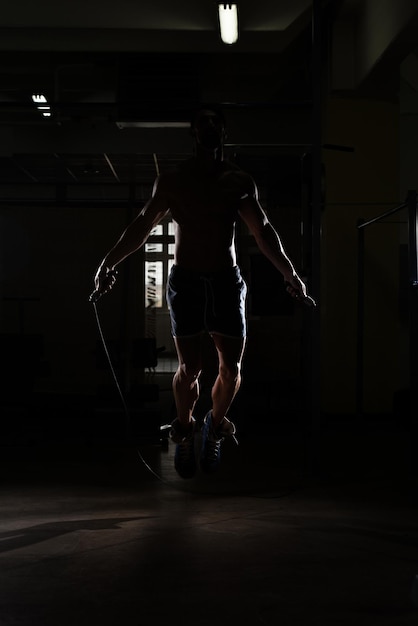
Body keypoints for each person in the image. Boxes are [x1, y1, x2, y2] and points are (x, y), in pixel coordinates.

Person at [92, 106, 311, 479]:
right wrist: (107, 263)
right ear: (194, 132)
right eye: (203, 122)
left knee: (231, 368)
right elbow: (143, 224)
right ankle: (185, 428)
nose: (209, 127)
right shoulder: (173, 180)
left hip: (226, 281)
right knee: (190, 368)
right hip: (187, 280)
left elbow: (263, 230)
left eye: (216, 122)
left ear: (223, 133)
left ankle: (214, 426)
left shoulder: (238, 181)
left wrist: (290, 273)